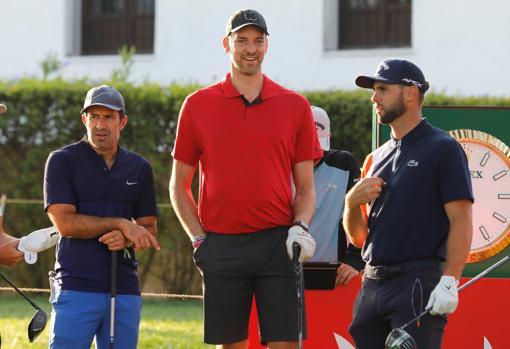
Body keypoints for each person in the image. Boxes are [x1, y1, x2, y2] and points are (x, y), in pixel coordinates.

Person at [169, 8, 320, 349]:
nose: (250, 48)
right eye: (241, 40)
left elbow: (307, 188)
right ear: (227, 44)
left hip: (278, 245)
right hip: (221, 244)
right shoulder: (197, 105)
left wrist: (300, 226)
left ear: (267, 46)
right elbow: (178, 187)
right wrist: (198, 240)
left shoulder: (295, 106)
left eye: (258, 40)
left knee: (286, 345)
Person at [343, 59, 473, 348]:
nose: (374, 98)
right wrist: (351, 204)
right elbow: (360, 238)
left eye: (382, 89)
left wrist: (450, 280)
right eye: (373, 91)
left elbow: (461, 219)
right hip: (371, 285)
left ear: (411, 93)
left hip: (416, 282)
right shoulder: (374, 159)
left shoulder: (443, 148)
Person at [44, 85, 160, 349]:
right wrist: (119, 223)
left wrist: (127, 238)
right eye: (94, 116)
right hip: (75, 285)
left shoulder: (139, 168)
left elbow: (148, 230)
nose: (100, 124)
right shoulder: (61, 161)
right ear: (84, 120)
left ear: (123, 121)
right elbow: (64, 223)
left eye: (108, 116)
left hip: (124, 289)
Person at [308, 106, 364, 286]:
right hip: (281, 274)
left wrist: (355, 261)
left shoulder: (344, 164)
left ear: (329, 137)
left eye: (320, 144)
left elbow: (362, 213)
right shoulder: (276, 166)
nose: (316, 153)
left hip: (334, 275)